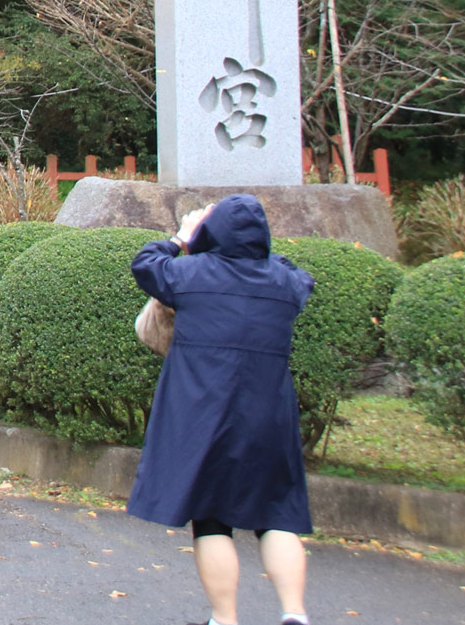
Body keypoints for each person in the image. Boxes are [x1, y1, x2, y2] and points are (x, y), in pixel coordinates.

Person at [128, 194, 315, 625]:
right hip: (269, 416)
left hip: (204, 414)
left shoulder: (192, 274)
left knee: (212, 520)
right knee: (276, 515)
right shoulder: (285, 285)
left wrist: (185, 236)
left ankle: (225, 618)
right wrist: (256, 248)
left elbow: (146, 263)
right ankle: (294, 613)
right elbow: (294, 272)